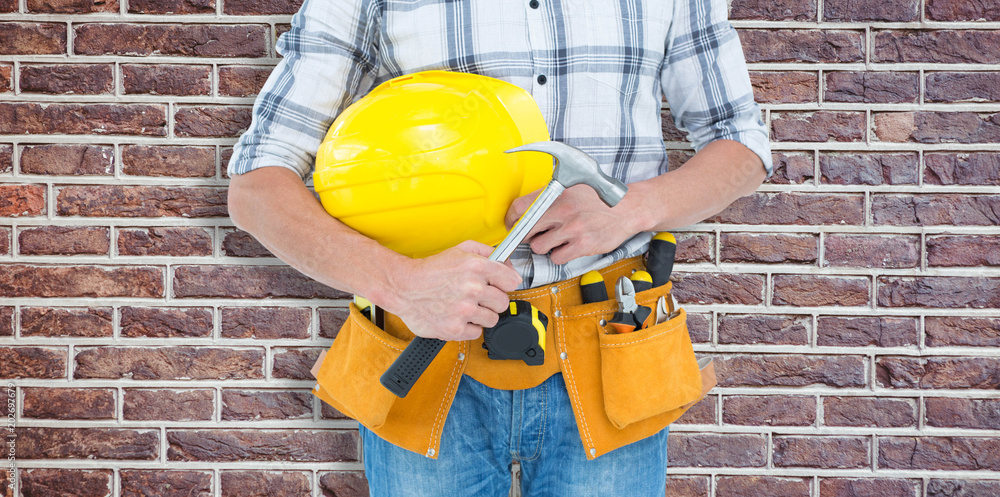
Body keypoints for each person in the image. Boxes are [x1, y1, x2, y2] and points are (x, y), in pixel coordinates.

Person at [227, 0, 771, 495]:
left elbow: (741, 144)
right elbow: (256, 188)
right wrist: (399, 283)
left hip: (611, 347)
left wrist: (628, 209)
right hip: (428, 351)